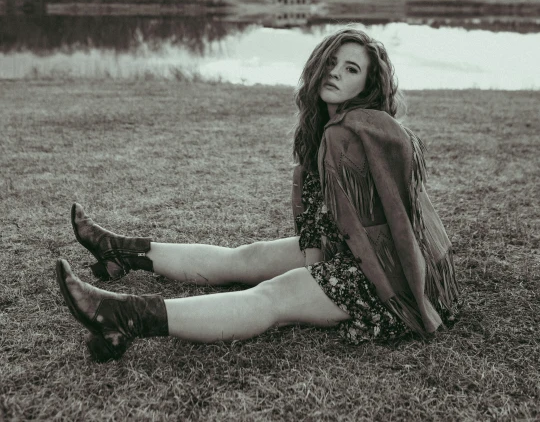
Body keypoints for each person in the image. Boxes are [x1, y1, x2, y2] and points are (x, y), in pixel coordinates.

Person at [56, 26, 460, 362]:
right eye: (331, 62)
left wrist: (316, 270)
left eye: (351, 69)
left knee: (273, 296)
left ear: (367, 84)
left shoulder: (356, 132)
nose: (335, 73)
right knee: (248, 255)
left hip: (388, 278)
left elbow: (396, 217)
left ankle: (122, 317)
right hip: (357, 250)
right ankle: (120, 252)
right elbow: (329, 219)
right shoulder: (332, 124)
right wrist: (316, 258)